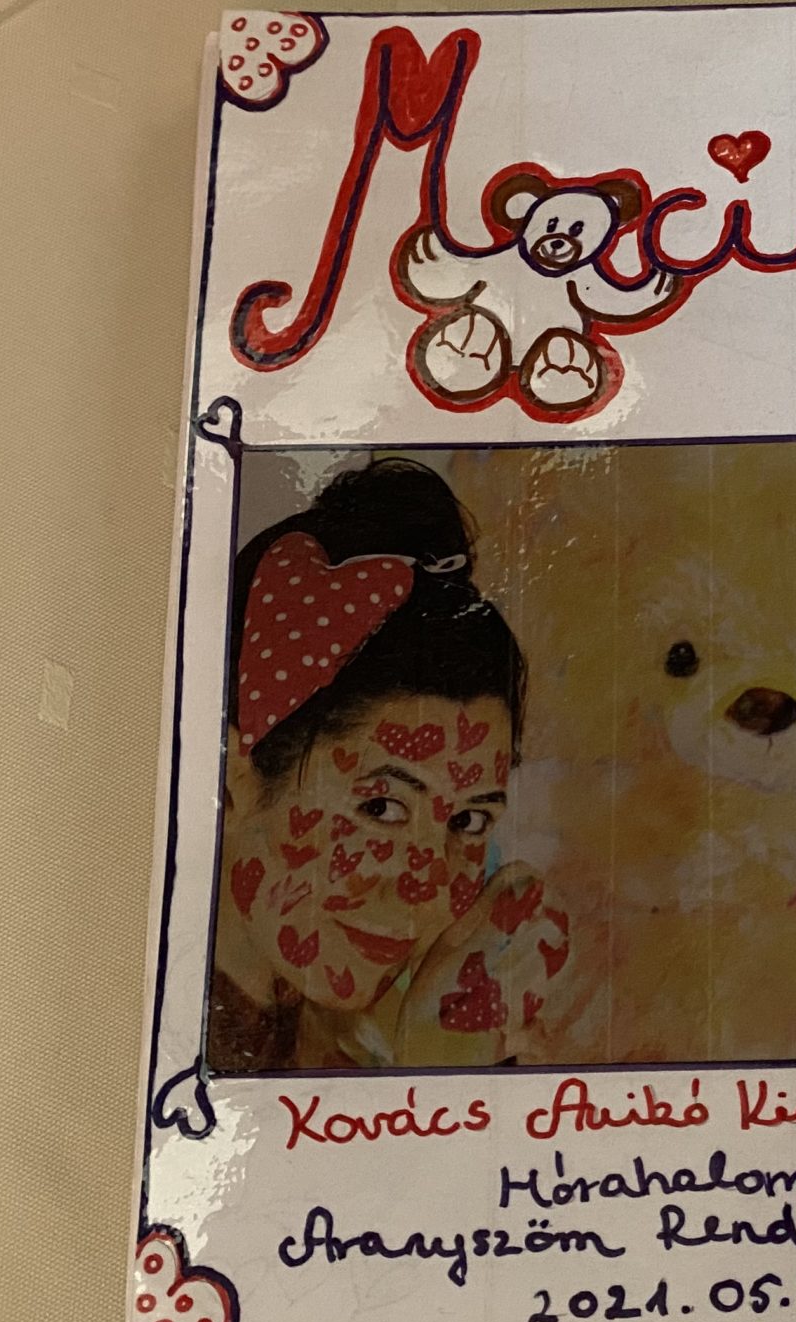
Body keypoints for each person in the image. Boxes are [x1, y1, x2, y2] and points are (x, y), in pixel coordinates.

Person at [206, 457, 562, 1070]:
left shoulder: (376, 1045)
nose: (428, 892)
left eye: (468, 821)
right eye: (381, 807)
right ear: (235, 783)